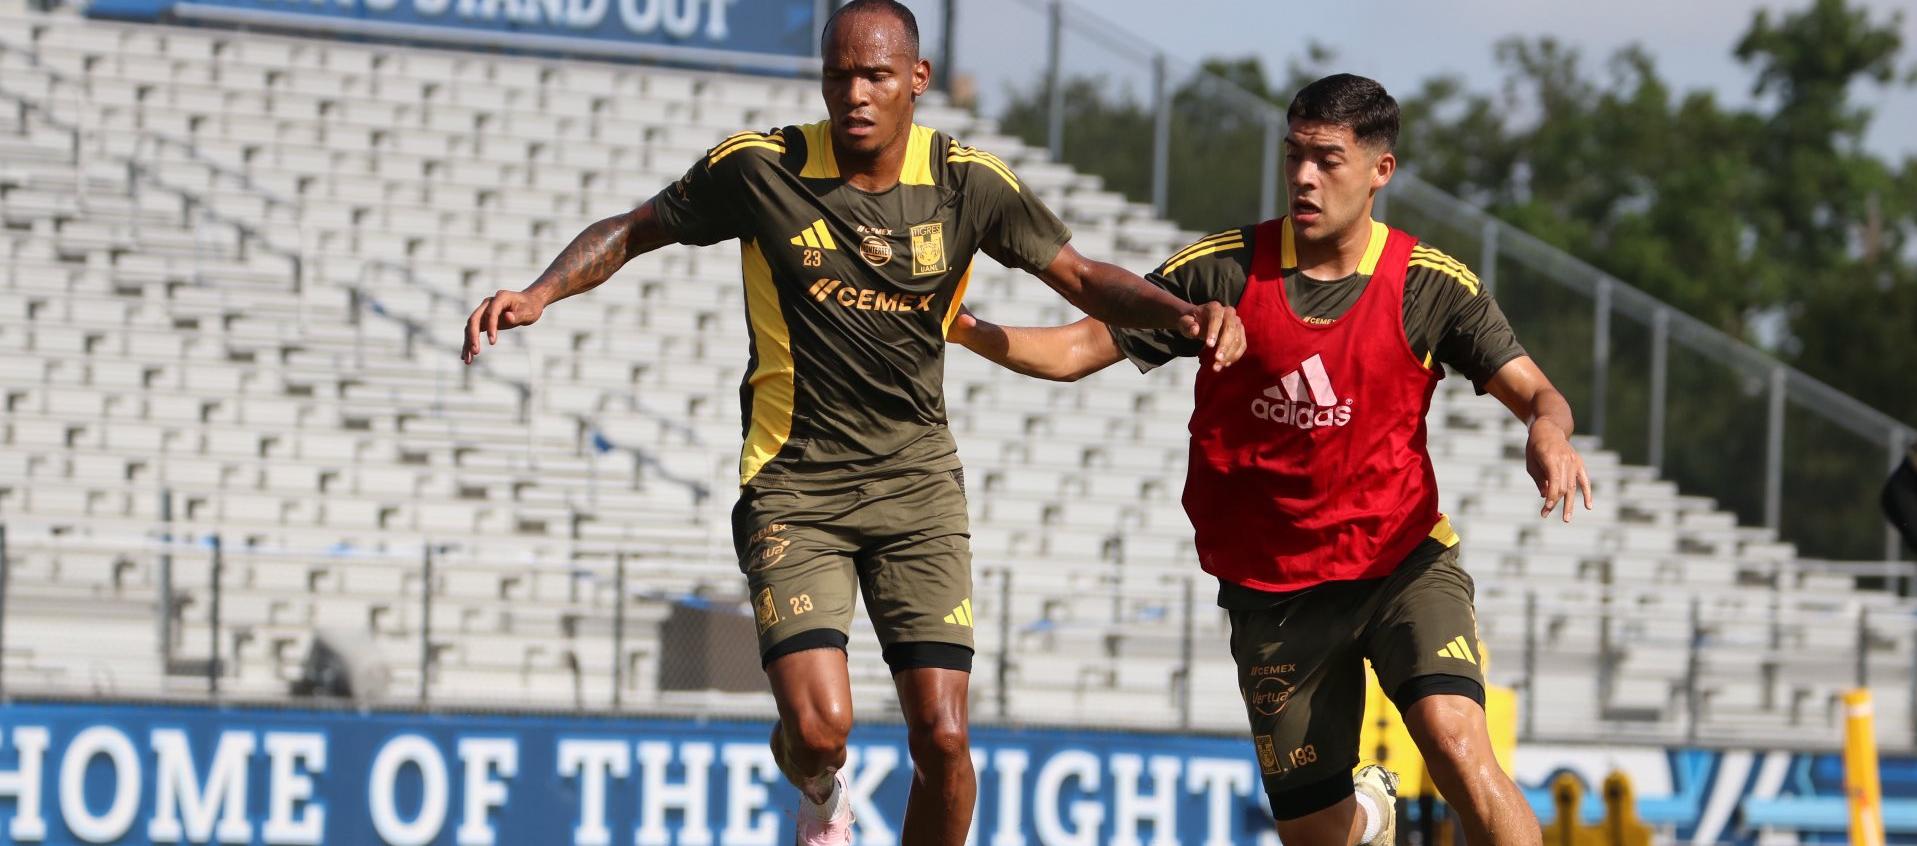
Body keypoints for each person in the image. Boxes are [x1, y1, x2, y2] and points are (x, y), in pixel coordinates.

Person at [459, 2, 1243, 843]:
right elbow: (636, 227)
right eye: (838, 75)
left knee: (943, 737)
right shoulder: (762, 168)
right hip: (795, 488)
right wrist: (540, 291)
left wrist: (1180, 313)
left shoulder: (967, 182)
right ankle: (817, 786)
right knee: (821, 728)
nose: (854, 94)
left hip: (918, 489)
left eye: (874, 75)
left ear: (916, 79)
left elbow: (1081, 277)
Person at [951, 73, 1593, 846]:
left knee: (1456, 745)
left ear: (1379, 171)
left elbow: (1537, 392)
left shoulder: (1429, 285)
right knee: (1318, 836)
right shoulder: (1222, 272)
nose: (1302, 177)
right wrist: (964, 329)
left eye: (1325, 159)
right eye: (1293, 156)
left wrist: (1547, 431)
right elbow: (1073, 352)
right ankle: (1369, 815)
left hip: (1400, 565)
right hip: (1272, 592)